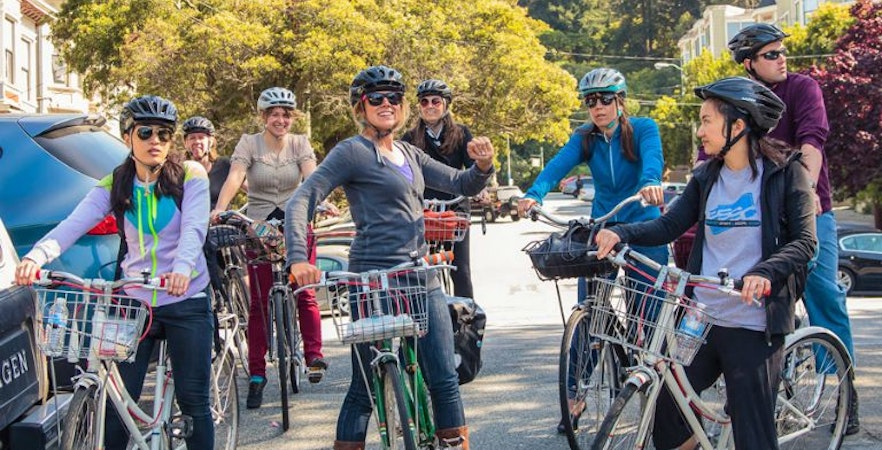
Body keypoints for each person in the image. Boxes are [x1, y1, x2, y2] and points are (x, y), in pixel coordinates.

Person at [594, 77, 817, 449]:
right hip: (701, 318)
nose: (700, 131)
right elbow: (668, 225)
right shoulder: (706, 177)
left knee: (752, 430)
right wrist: (621, 232)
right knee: (668, 411)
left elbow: (805, 242)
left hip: (753, 321)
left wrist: (764, 272)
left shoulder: (785, 172)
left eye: (707, 120)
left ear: (738, 125)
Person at [286, 65, 495, 450]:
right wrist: (298, 257)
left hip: (417, 273)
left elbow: (458, 182)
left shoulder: (409, 153)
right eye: (376, 98)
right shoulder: (352, 151)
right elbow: (303, 199)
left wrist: (482, 166)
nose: (387, 104)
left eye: (394, 98)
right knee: (364, 388)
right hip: (370, 280)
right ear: (360, 107)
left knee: (444, 379)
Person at [15, 95, 215, 449]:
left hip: (186, 297)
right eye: (146, 132)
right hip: (134, 303)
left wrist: (183, 269)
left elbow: (194, 230)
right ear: (128, 137)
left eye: (165, 134)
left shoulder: (190, 174)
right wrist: (36, 257)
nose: (156, 141)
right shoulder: (117, 182)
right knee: (117, 404)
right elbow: (72, 225)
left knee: (194, 403)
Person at [698, 23, 859, 433]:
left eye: (782, 50)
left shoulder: (802, 89)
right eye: (771, 54)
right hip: (755, 217)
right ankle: (752, 389)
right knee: (740, 297)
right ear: (749, 64)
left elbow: (811, 144)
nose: (782, 58)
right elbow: (708, 157)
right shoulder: (736, 98)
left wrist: (802, 193)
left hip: (807, 210)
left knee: (825, 296)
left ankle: (845, 390)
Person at [516, 67, 668, 433]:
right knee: (589, 312)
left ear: (620, 100)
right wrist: (533, 193)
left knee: (646, 317)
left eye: (605, 99)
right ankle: (576, 395)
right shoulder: (585, 137)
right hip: (603, 230)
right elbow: (557, 166)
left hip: (644, 228)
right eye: (590, 101)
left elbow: (653, 160)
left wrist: (650, 184)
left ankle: (660, 397)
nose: (597, 107)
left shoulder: (643, 128)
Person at [211, 86, 326, 409]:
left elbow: (312, 177)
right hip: (259, 227)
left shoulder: (300, 143)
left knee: (305, 290)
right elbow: (235, 176)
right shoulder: (249, 142)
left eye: (286, 114)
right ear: (263, 117)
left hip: (295, 222)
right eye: (274, 114)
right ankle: (258, 374)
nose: (281, 119)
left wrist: (323, 200)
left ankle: (313, 355)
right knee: (260, 302)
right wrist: (221, 208)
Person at [401, 78, 476, 299]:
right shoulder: (409, 139)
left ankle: (468, 323)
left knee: (460, 269)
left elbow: (473, 168)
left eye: (436, 101)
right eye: (424, 102)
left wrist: (479, 187)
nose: (430, 106)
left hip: (455, 207)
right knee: (421, 268)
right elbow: (403, 173)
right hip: (424, 209)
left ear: (446, 105)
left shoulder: (461, 134)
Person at [183, 115, 246, 209]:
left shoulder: (225, 165)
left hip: (222, 222)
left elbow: (254, 191)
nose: (197, 141)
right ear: (186, 143)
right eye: (192, 138)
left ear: (211, 141)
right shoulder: (178, 171)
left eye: (201, 137)